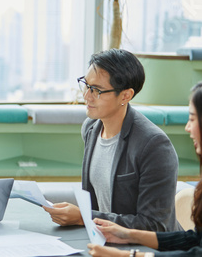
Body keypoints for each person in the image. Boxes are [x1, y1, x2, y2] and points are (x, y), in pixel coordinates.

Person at [44, 49, 181, 232]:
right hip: (108, 241)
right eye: (86, 84)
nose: (86, 95)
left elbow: (154, 225)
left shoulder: (154, 145)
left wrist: (85, 217)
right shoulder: (91, 127)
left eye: (97, 90)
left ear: (125, 96)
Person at [88, 81, 202, 256]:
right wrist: (128, 234)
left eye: (192, 119)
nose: (187, 127)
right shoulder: (90, 129)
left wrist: (130, 255)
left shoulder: (153, 143)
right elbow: (195, 239)